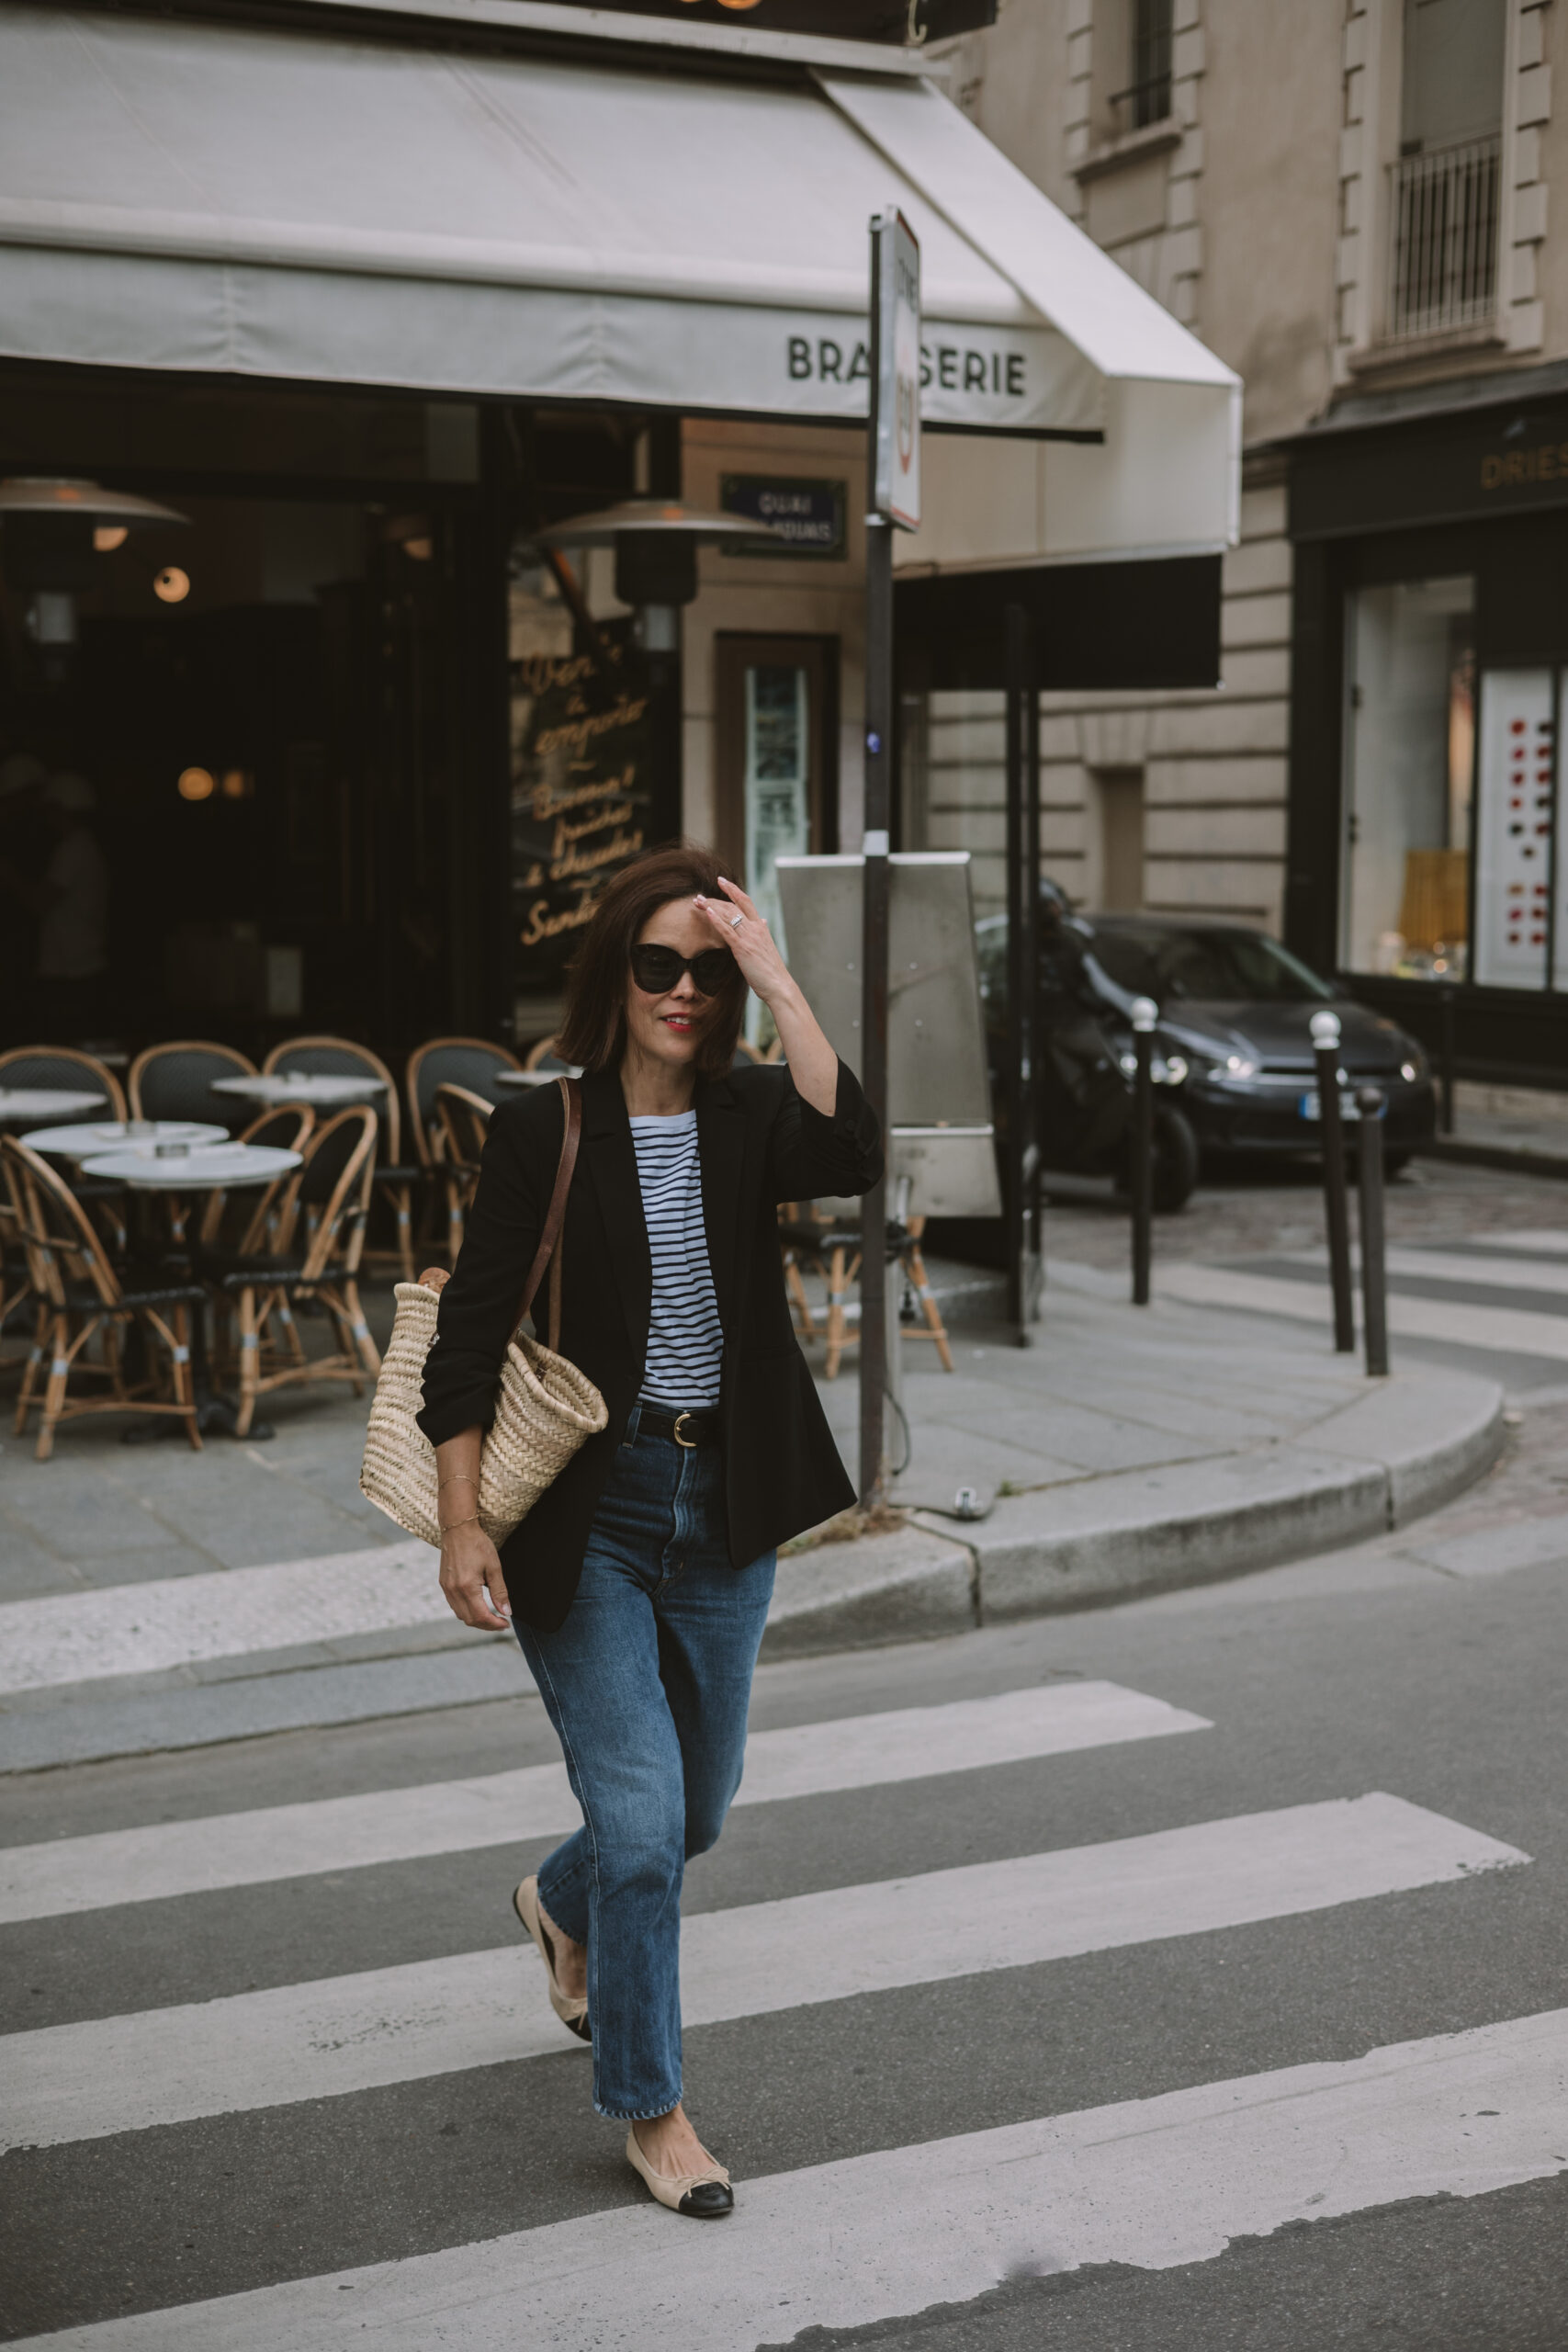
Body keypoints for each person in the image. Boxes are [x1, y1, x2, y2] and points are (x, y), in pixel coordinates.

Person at [417, 840, 880, 2218]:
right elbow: (467, 1336)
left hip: (724, 1508)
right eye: (658, 964)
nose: (683, 992)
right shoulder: (542, 1127)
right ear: (615, 973)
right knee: (640, 1823)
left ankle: (558, 1908)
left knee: (700, 1811)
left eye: (706, 970)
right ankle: (653, 2109)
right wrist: (458, 1519)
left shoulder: (749, 1117)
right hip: (594, 1519)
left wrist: (777, 973)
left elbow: (853, 1148)